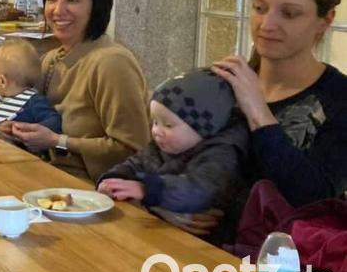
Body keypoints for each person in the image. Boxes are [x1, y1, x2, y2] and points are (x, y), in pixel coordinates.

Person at [211, 0, 347, 208]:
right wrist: (171, 204)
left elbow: (316, 198)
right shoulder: (223, 82)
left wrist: (259, 112)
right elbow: (166, 157)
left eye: (289, 14)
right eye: (259, 8)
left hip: (285, 246)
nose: (267, 24)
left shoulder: (338, 98)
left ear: (325, 20)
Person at [9, 0, 150, 181]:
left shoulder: (112, 62)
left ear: (97, 6)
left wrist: (58, 141)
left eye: (72, 0)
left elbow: (133, 148)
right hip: (43, 174)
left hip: (91, 190)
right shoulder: (49, 59)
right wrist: (7, 127)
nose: (58, 10)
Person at [97, 69, 248, 215]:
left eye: (168, 125)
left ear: (203, 129)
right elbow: (135, 164)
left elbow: (198, 190)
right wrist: (115, 179)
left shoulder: (221, 155)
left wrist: (146, 189)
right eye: (155, 122)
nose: (156, 130)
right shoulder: (162, 145)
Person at [0, 39, 61, 153]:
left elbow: (54, 120)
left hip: (21, 157)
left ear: (2, 81)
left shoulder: (34, 102)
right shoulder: (3, 98)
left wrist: (31, 131)